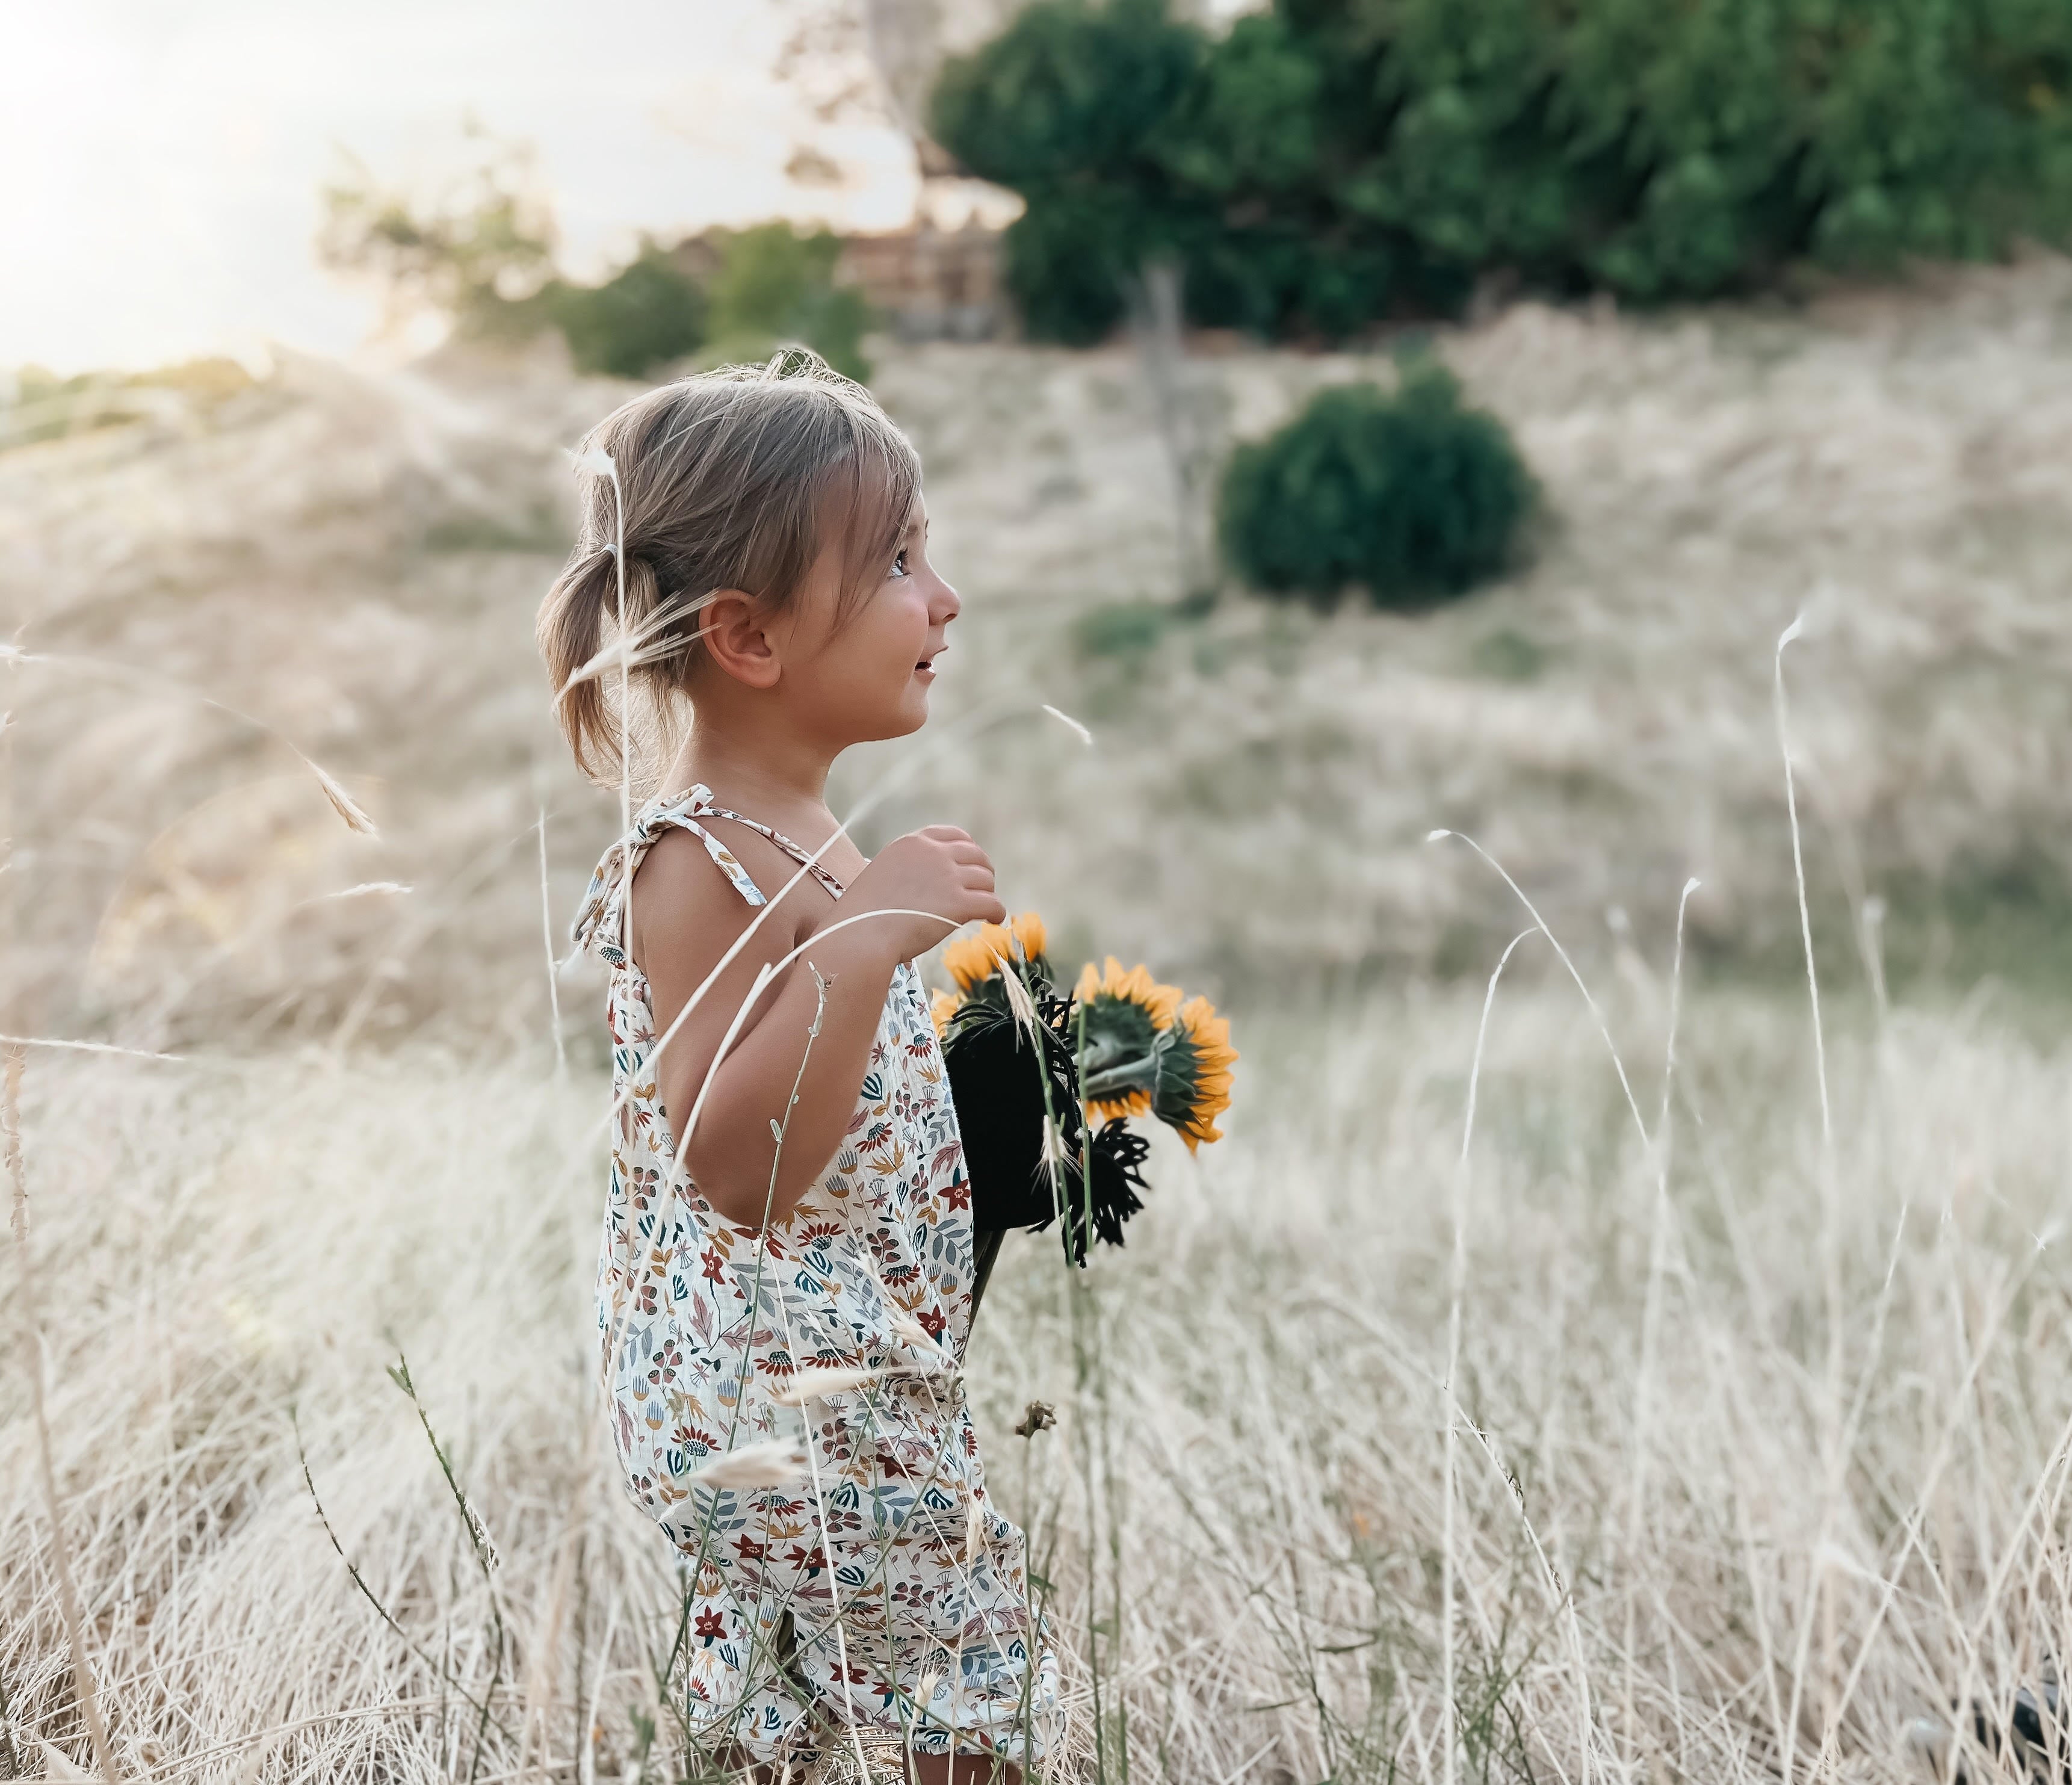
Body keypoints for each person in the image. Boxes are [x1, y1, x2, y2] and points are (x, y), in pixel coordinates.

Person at [539, 354, 1056, 1783]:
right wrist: (867, 939)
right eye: (897, 560)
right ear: (749, 638)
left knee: (796, 1715)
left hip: (822, 1381)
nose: (941, 598)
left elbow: (840, 1123)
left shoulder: (805, 840)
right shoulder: (696, 859)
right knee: (965, 1685)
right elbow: (736, 1162)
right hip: (778, 1403)